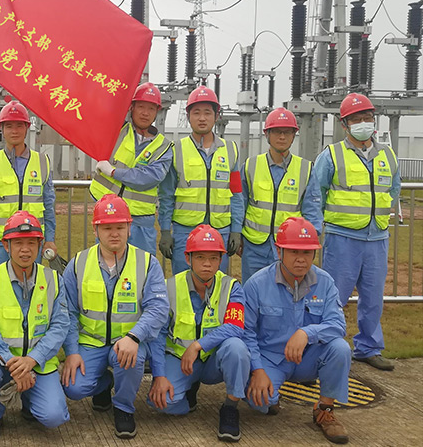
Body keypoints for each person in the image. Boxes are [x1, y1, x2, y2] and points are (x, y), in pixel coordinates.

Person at [61, 194, 169, 439]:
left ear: (129, 228)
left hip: (128, 342)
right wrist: (72, 352)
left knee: (131, 359)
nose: (114, 234)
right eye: (107, 228)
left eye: (120, 227)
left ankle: (123, 408)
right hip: (91, 343)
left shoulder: (147, 263)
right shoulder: (78, 263)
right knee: (73, 388)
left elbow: (158, 308)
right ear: (95, 230)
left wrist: (134, 336)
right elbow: (67, 312)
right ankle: (104, 383)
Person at [311, 93, 401, 371]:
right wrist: (320, 226)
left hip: (377, 238)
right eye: (356, 119)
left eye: (367, 117)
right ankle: (327, 347)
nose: (363, 123)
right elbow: (316, 193)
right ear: (344, 124)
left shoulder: (387, 155)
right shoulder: (331, 155)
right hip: (342, 238)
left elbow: (394, 189)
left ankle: (368, 348)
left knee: (373, 298)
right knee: (333, 297)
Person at [243, 217, 351, 444]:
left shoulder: (325, 282)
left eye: (307, 252)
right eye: (293, 252)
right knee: (259, 403)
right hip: (271, 359)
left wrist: (307, 333)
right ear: (279, 251)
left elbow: (338, 325)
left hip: (308, 358)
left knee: (340, 348)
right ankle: (272, 395)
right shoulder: (257, 284)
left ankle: (325, 410)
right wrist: (257, 370)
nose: (301, 259)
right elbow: (246, 332)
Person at [0, 211, 70, 443]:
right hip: (2, 363)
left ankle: (29, 399)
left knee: (54, 416)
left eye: (31, 243)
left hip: (38, 363)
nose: (25, 250)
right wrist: (15, 366)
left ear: (39, 245)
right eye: (18, 243)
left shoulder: (54, 280)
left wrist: (32, 360)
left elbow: (60, 326)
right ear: (6, 245)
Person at [147, 225, 249, 443]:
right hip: (180, 359)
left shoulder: (232, 287)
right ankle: (188, 392)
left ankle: (230, 408)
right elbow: (158, 335)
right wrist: (159, 376)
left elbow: (236, 326)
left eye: (213, 258)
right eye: (200, 257)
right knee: (161, 402)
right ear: (188, 258)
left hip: (214, 361)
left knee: (237, 348)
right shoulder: (169, 287)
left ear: (221, 260)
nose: (207, 264)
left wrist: (198, 345)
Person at [158, 85, 244, 274]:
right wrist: (165, 231)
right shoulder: (176, 150)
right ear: (188, 116)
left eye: (207, 112)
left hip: (220, 231)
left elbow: (237, 195)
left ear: (216, 116)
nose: (202, 118)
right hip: (185, 232)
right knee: (183, 283)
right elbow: (166, 196)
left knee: (217, 283)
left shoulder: (230, 150)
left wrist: (236, 230)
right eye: (196, 113)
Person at [240, 107, 322, 283]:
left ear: (294, 135)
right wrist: (236, 234)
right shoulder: (250, 166)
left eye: (287, 132)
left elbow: (312, 210)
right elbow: (240, 204)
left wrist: (309, 242)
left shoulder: (306, 169)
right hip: (254, 247)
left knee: (287, 291)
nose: (282, 137)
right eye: (277, 132)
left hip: (290, 247)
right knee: (252, 291)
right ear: (267, 134)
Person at [90, 82, 174, 255]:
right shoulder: (116, 130)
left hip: (141, 221)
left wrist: (113, 172)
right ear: (131, 107)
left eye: (151, 108)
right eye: (141, 106)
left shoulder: (164, 147)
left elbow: (149, 178)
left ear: (157, 112)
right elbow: (102, 102)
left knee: (141, 268)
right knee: (108, 264)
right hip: (109, 215)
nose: (145, 113)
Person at [0, 100, 57, 267]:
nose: (14, 131)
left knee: (30, 282)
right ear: (1, 129)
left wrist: (49, 239)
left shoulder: (42, 162)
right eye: (9, 126)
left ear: (27, 128)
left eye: (19, 125)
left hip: (32, 238)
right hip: (0, 240)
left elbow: (49, 205)